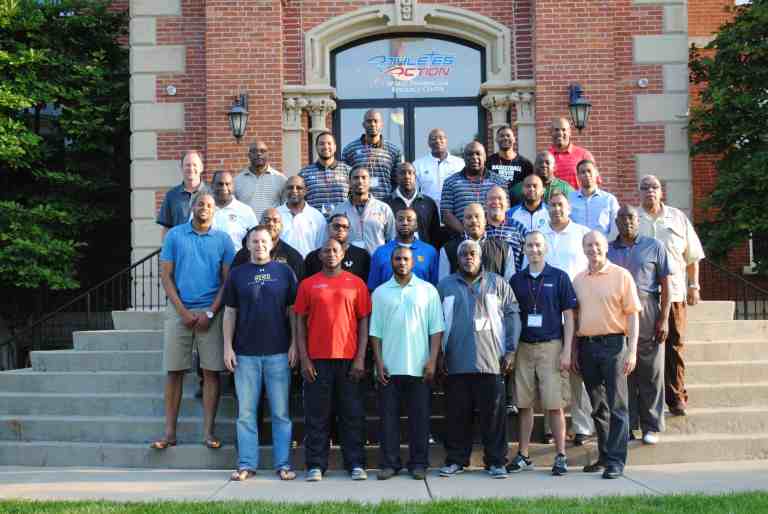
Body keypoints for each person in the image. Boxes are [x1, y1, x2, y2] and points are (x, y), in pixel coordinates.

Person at [151, 192, 233, 450]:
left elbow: (227, 281)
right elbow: (166, 277)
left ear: (214, 210)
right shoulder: (175, 235)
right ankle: (169, 433)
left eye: (209, 205)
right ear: (192, 207)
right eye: (200, 204)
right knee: (174, 371)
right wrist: (183, 312)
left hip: (212, 312)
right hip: (179, 311)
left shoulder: (223, 239)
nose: (204, 208)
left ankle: (208, 433)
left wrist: (211, 311)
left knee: (211, 372)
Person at [437, 239, 521, 478]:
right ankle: (456, 460)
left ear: (481, 256)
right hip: (456, 362)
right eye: (463, 254)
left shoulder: (498, 284)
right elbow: (436, 324)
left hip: (492, 361)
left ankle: (496, 462)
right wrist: (439, 355)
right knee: (456, 416)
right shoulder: (445, 286)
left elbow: (512, 317)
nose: (468, 257)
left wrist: (511, 350)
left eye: (473, 253)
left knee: (494, 416)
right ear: (458, 258)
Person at [222, 226, 298, 481]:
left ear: (272, 244)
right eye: (254, 241)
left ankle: (283, 465)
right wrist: (227, 347)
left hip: (278, 353)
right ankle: (246, 465)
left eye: (264, 241)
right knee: (245, 414)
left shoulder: (285, 272)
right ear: (247, 246)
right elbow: (229, 312)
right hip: (245, 355)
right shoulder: (237, 275)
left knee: (281, 414)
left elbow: (293, 312)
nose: (259, 245)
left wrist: (295, 344)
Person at [294, 238, 372, 481]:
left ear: (343, 253)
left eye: (335, 250)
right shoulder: (308, 285)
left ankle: (356, 463)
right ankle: (315, 465)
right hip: (317, 360)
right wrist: (304, 359)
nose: (330, 254)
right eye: (326, 250)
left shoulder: (356, 284)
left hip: (349, 360)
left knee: (352, 414)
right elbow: (299, 322)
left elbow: (364, 321)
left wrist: (360, 357)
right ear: (319, 255)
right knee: (317, 415)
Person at [370, 246, 444, 480]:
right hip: (390, 368)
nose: (401, 262)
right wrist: (379, 362)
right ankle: (390, 463)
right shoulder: (380, 293)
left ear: (413, 262)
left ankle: (418, 463)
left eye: (406, 259)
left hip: (419, 367)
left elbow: (436, 330)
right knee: (388, 420)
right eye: (397, 258)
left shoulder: (428, 291)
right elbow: (375, 332)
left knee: (419, 420)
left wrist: (432, 361)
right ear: (391, 262)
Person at [573, 230, 641, 479]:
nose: (593, 249)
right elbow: (574, 318)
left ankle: (616, 461)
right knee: (598, 407)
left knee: (617, 406)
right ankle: (603, 456)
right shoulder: (578, 279)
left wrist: (632, 350)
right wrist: (574, 351)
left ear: (606, 247)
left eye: (598, 244)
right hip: (587, 347)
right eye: (588, 245)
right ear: (583, 249)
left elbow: (633, 314)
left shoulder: (622, 276)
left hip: (614, 346)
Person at [507, 231, 577, 476]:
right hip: (524, 347)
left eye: (538, 245)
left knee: (554, 404)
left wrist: (567, 350)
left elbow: (568, 316)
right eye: (529, 245)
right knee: (524, 404)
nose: (534, 249)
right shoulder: (516, 280)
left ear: (545, 248)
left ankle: (561, 455)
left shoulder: (559, 277)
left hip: (552, 346)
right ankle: (523, 455)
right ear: (524, 249)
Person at [637, 174, 705, 417]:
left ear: (661, 191)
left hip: (675, 293)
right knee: (645, 349)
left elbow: (693, 256)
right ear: (639, 192)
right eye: (645, 187)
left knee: (674, 346)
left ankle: (676, 397)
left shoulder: (677, 218)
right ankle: (643, 401)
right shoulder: (633, 219)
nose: (650, 191)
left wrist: (694, 286)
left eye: (654, 187)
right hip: (643, 297)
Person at [608, 205, 671, 445]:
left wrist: (664, 318)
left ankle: (651, 426)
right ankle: (628, 425)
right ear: (616, 221)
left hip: (648, 310)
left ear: (638, 220)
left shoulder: (654, 246)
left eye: (631, 217)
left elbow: (666, 287)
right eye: (622, 218)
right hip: (618, 313)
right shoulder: (609, 250)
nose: (627, 222)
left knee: (651, 372)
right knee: (624, 372)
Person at [538, 191, 594, 445]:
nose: (556, 209)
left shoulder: (582, 233)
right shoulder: (541, 234)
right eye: (552, 205)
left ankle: (581, 425)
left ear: (569, 208)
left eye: (561, 205)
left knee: (577, 370)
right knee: (551, 369)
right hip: (548, 311)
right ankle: (553, 428)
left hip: (578, 309)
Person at [440, 141, 507, 234]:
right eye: (470, 154)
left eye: (478, 154)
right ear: (463, 158)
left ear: (485, 157)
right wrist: (467, 234)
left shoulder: (499, 182)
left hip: (494, 237)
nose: (474, 157)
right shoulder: (450, 182)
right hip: (462, 240)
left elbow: (505, 211)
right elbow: (446, 214)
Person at [438, 203, 516, 282]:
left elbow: (509, 286)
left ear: (485, 221)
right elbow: (444, 285)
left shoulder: (504, 249)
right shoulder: (447, 250)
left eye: (477, 216)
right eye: (469, 217)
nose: (473, 220)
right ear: (463, 222)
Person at [368, 207, 439, 291]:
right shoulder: (380, 252)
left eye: (409, 220)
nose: (405, 223)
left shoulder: (430, 252)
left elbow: (435, 287)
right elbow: (373, 289)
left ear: (416, 224)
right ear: (395, 223)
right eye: (400, 219)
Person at [333, 166, 396, 255]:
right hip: (348, 262)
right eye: (356, 178)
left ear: (370, 182)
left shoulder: (383, 209)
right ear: (349, 182)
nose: (360, 181)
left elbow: (392, 238)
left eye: (364, 178)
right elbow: (333, 239)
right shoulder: (339, 210)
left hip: (376, 261)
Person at [341, 109, 403, 200]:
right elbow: (345, 179)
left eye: (376, 121)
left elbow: (397, 180)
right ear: (363, 124)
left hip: (384, 202)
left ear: (381, 124)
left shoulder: (393, 150)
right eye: (369, 121)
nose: (372, 124)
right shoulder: (350, 150)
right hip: (358, 202)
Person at [232, 209, 304, 280]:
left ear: (281, 227)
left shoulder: (293, 257)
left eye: (275, 221)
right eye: (267, 220)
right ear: (259, 224)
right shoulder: (244, 254)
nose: (271, 224)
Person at [384, 162, 440, 247]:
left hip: (423, 254)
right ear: (396, 178)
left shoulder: (429, 203)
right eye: (402, 173)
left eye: (410, 173)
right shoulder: (386, 203)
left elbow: (435, 234)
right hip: (394, 254)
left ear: (415, 177)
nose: (407, 176)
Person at [156, 150, 210, 239]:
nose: (191, 168)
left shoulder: (211, 193)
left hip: (205, 249)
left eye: (194, 165)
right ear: (181, 168)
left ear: (201, 168)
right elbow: (166, 228)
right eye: (187, 165)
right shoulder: (172, 195)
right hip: (179, 250)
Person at [305, 213, 371, 282]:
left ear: (349, 230)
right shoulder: (313, 257)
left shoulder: (362, 255)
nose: (340, 229)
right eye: (336, 226)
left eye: (345, 227)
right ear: (328, 228)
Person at [299, 131, 351, 218]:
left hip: (342, 226)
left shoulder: (348, 171)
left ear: (335, 147)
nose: (326, 146)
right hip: (315, 225)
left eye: (329, 143)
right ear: (316, 147)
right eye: (321, 144)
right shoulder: (304, 173)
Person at [412, 128, 465, 211]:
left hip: (454, 212)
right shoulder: (418, 164)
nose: (437, 141)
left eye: (441, 138)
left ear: (446, 141)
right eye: (433, 139)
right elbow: (413, 192)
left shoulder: (460, 163)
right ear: (429, 143)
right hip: (427, 212)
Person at [234, 140, 287, 221]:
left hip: (271, 228)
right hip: (246, 229)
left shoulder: (280, 179)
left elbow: (285, 208)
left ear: (267, 154)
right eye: (254, 151)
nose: (258, 154)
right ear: (249, 155)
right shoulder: (237, 181)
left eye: (262, 151)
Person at [207, 170, 258, 252]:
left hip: (236, 262)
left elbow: (257, 237)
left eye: (227, 184)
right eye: (220, 184)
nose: (224, 188)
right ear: (212, 186)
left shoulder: (245, 211)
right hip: (207, 261)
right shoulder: (202, 209)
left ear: (233, 187)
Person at [277, 176, 327, 258]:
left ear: (305, 191)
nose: (294, 191)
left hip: (309, 265)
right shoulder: (276, 215)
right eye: (290, 187)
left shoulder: (317, 216)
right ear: (285, 190)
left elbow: (321, 246)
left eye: (299, 188)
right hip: (282, 265)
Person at [568, 159, 619, 239]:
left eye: (589, 171)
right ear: (577, 176)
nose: (587, 174)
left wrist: (608, 245)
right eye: (582, 172)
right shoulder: (569, 199)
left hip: (602, 248)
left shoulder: (609, 199)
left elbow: (615, 227)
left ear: (596, 173)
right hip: (576, 247)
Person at [484, 185, 526, 273]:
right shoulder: (478, 227)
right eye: (492, 198)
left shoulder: (519, 228)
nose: (496, 202)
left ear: (507, 204)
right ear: (485, 203)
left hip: (513, 283)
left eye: (500, 198)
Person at [548, 117, 595, 189]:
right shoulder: (545, 157)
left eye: (564, 130)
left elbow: (595, 182)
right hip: (552, 200)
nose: (560, 133)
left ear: (569, 132)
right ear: (551, 132)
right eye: (556, 130)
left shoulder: (584, 155)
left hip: (578, 199)